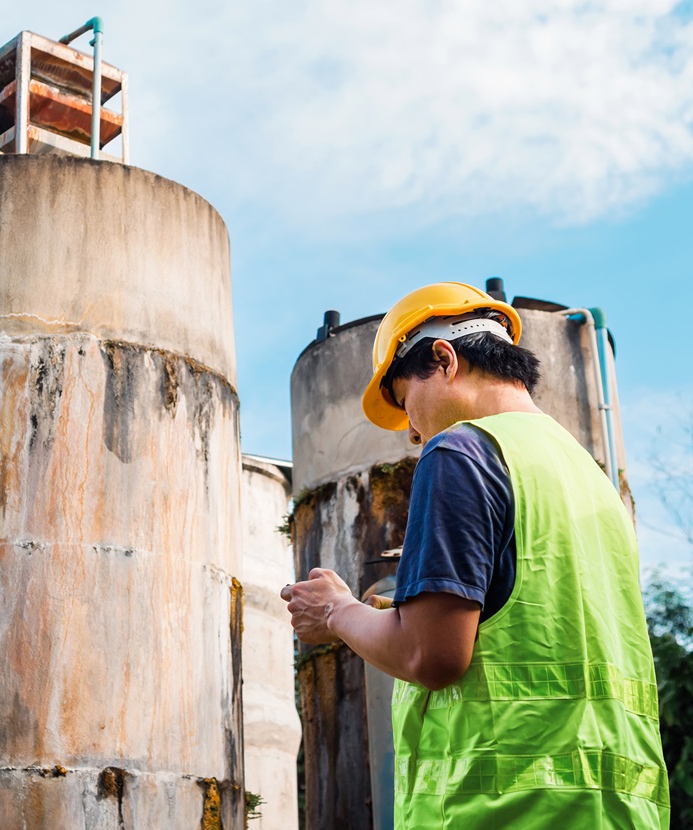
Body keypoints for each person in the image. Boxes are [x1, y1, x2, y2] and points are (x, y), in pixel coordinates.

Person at [280, 282, 669, 828]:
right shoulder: (590, 477)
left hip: (501, 812)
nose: (413, 432)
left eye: (404, 401)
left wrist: (337, 612)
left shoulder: (464, 450)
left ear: (443, 358)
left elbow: (430, 656)